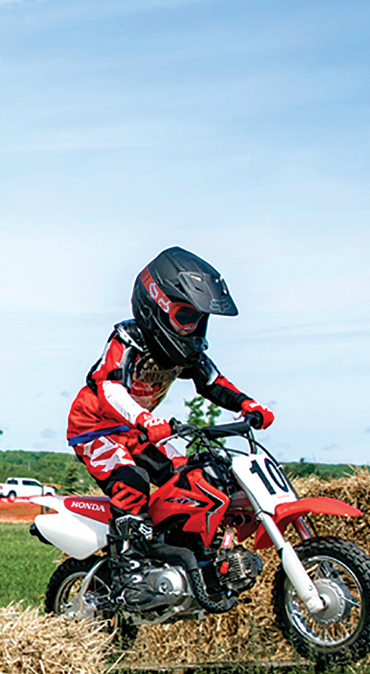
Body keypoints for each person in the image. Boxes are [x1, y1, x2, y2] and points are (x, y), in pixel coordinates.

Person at [64, 246, 274, 594]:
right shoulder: (127, 338)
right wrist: (145, 419)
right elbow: (111, 389)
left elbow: (212, 382)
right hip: (97, 427)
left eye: (200, 320)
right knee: (130, 482)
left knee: (191, 475)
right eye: (187, 317)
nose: (195, 329)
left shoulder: (187, 350)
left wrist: (246, 403)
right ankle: (127, 571)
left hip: (140, 429)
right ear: (157, 305)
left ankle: (180, 551)